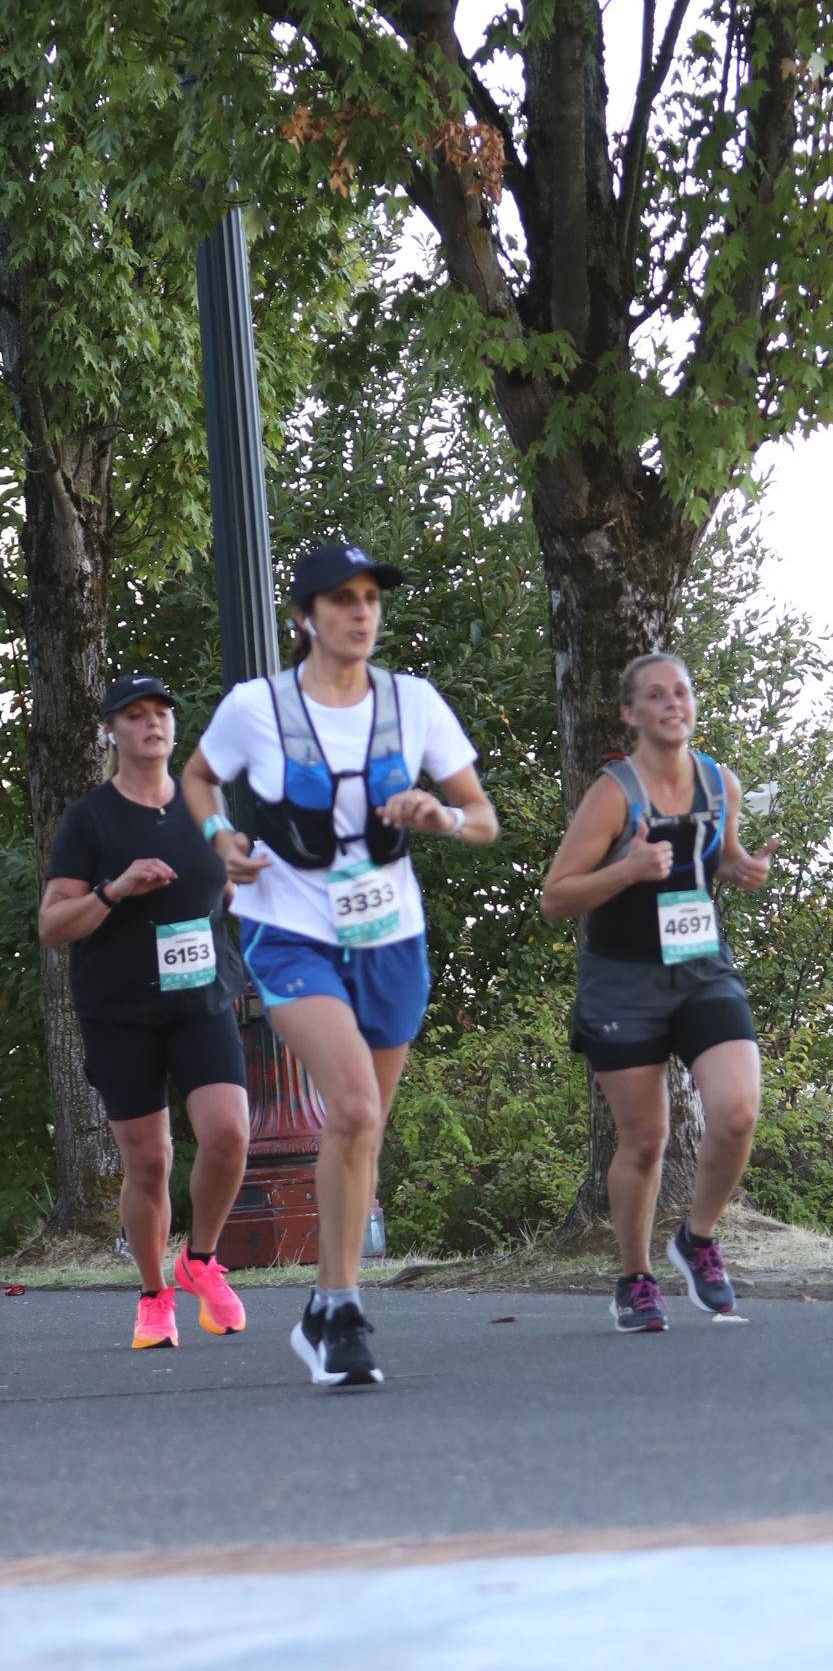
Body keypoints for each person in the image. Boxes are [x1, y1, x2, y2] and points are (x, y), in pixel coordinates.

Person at [180, 541, 497, 1390]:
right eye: (342, 599)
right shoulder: (257, 708)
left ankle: (323, 1303)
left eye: (370, 598)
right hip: (289, 931)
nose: (361, 613)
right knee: (351, 1107)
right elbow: (199, 779)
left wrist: (439, 816)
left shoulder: (412, 702)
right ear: (304, 617)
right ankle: (346, 1313)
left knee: (363, 1128)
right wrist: (220, 838)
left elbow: (482, 817)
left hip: (390, 937)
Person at [539, 651, 776, 1331]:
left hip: (701, 967)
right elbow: (556, 897)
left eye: (682, 691)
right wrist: (629, 868)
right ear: (630, 713)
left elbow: (717, 858)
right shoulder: (613, 794)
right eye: (655, 695)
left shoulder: (719, 783)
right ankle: (635, 1278)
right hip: (623, 980)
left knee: (737, 1111)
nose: (673, 703)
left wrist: (740, 867)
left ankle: (697, 1239)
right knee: (645, 1140)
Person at [37, 669, 253, 1349]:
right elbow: (52, 925)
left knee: (229, 1132)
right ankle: (155, 1295)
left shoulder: (205, 804)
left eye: (161, 711)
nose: (152, 723)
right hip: (120, 1008)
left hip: (200, 996)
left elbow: (231, 889)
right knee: (151, 1161)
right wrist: (115, 889)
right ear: (111, 730)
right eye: (134, 714)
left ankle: (200, 1260)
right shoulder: (89, 819)